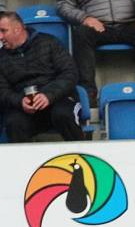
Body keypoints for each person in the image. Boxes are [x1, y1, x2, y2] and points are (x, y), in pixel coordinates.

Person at [0, 11, 84, 142]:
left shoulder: (49, 42)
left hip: (59, 99)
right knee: (14, 122)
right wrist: (20, 101)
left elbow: (70, 73)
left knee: (62, 114)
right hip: (26, 107)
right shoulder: (1, 57)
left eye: (3, 31)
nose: (0, 36)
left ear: (17, 29)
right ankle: (24, 162)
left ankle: (81, 155)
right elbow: (3, 91)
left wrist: (48, 95)